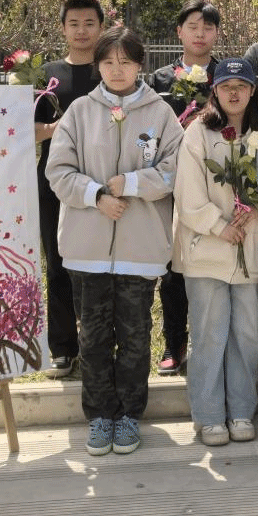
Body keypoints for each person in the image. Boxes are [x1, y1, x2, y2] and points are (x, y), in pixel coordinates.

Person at [45, 26, 183, 456]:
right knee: (93, 338)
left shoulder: (161, 113)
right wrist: (97, 196)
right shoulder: (80, 112)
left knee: (136, 336)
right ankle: (100, 415)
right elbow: (58, 171)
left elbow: (175, 170)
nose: (116, 70)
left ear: (140, 64)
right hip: (87, 249)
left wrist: (133, 183)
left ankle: (129, 416)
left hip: (141, 250)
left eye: (125, 62)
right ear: (98, 66)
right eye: (108, 62)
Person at [173, 58, 258, 448]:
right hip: (207, 250)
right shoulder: (198, 132)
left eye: (241, 86)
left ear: (252, 91)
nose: (234, 92)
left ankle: (242, 410)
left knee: (245, 335)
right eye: (226, 85)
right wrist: (218, 225)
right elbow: (188, 192)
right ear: (214, 90)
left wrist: (257, 210)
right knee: (209, 335)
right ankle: (210, 415)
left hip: (249, 247)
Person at [148, 0, 221, 376]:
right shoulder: (160, 79)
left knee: (212, 265)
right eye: (193, 26)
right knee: (172, 268)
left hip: (215, 184)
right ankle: (173, 343)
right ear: (179, 31)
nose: (200, 34)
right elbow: (149, 131)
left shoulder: (225, 76)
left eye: (208, 27)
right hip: (171, 184)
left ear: (217, 34)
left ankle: (210, 345)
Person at [34, 0, 105, 378]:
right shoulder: (47, 75)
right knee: (58, 264)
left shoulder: (111, 72)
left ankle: (99, 344)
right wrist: (54, 129)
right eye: (74, 24)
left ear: (101, 27)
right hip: (54, 184)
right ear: (63, 28)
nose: (81, 31)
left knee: (99, 266)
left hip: (101, 184)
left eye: (89, 23)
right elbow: (25, 130)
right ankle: (62, 348)